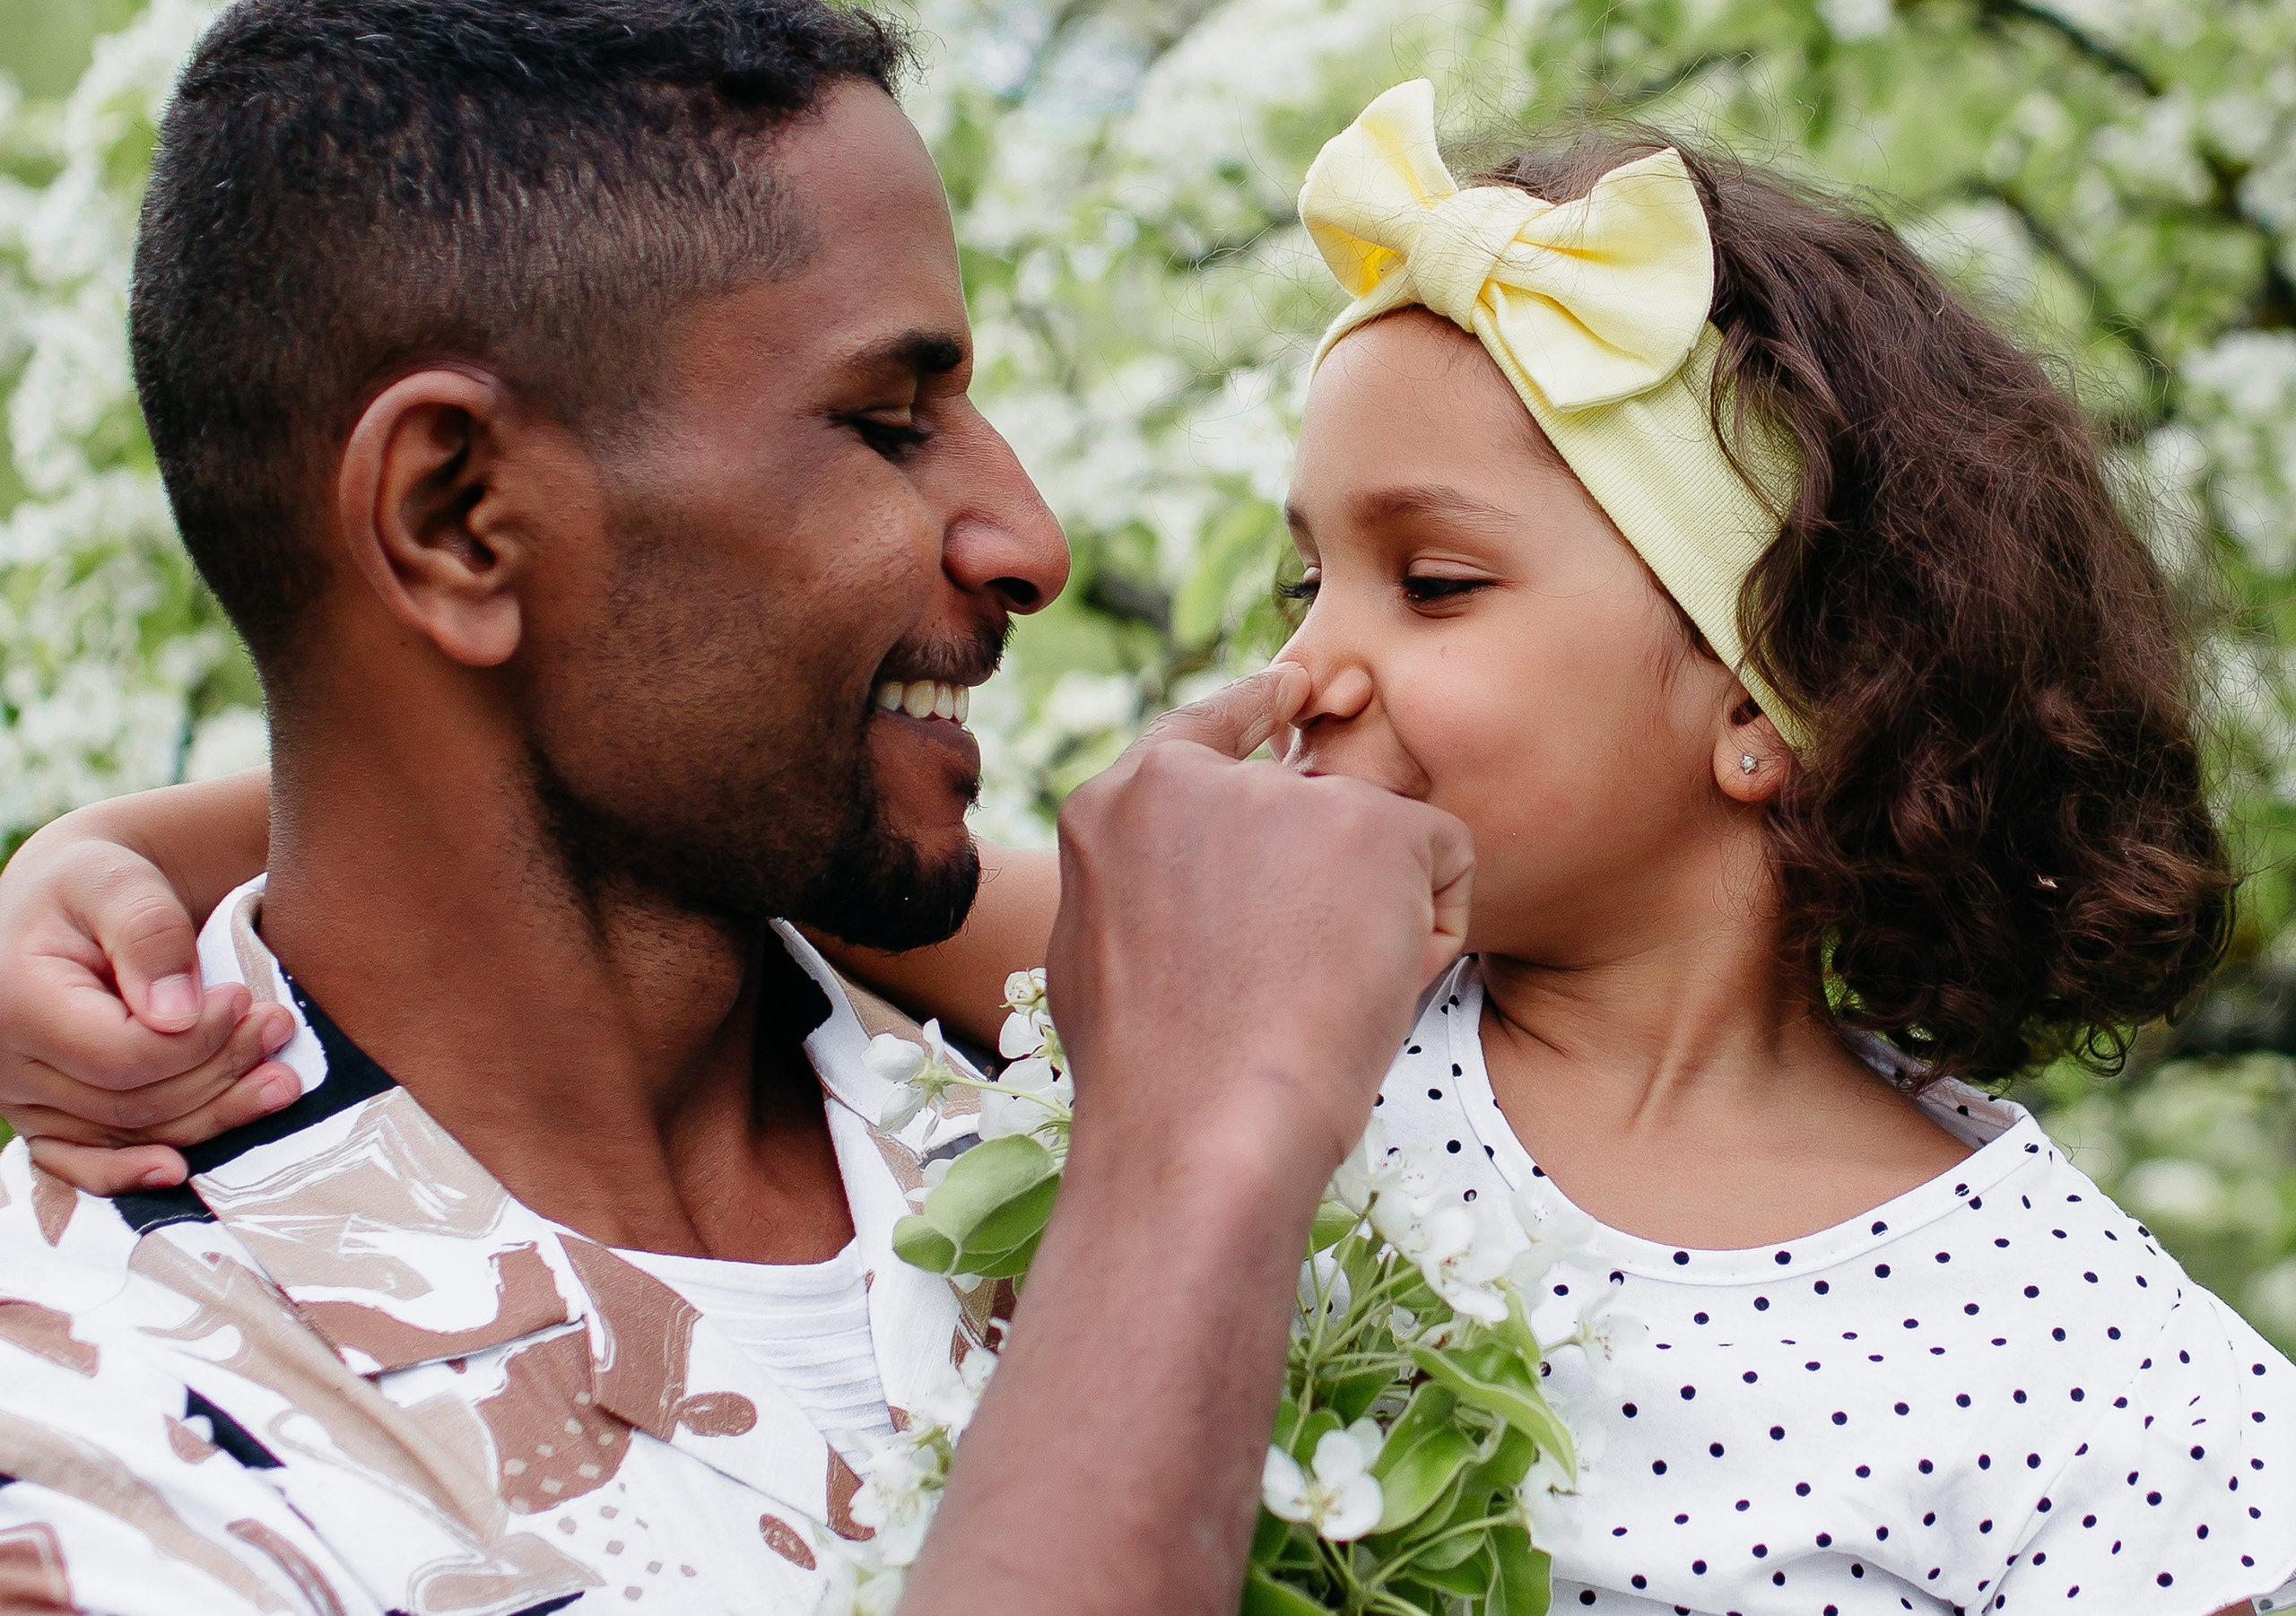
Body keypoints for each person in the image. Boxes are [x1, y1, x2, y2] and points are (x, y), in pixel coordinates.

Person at [21, 75, 2296, 1614]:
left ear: (1773, 695)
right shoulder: (1276, 1016)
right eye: (1302, 574)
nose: (1312, 657)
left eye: (1431, 583)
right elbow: (559, 802)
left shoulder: (2082, 1366)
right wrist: (113, 851)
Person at [0, 8, 1477, 1614]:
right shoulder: (105, 1440)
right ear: (455, 516)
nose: (1028, 541)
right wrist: (1192, 1165)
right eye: (886, 422)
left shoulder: (1061, 1055)